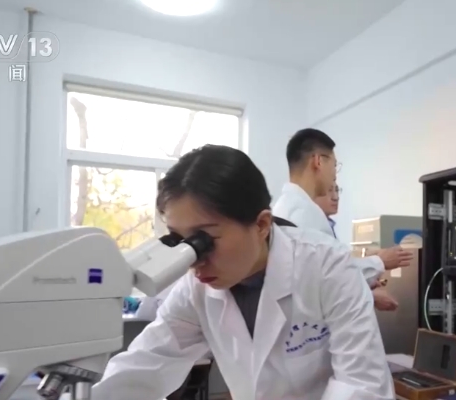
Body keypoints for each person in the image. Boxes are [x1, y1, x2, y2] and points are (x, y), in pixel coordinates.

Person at [92, 145, 393, 400]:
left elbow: (361, 385)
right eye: (179, 239)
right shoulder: (195, 289)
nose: (194, 260)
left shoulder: (328, 266)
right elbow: (145, 364)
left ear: (261, 225)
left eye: (204, 239)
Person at [272, 128, 413, 287]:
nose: (335, 175)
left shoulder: (285, 206)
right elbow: (337, 274)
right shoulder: (305, 214)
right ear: (318, 161)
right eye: (334, 165)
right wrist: (380, 261)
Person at [314, 182, 399, 311]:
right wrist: (380, 262)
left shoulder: (327, 229)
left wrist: (365, 281)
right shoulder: (312, 233)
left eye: (337, 190)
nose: (335, 197)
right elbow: (333, 279)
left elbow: (341, 271)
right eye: (329, 190)